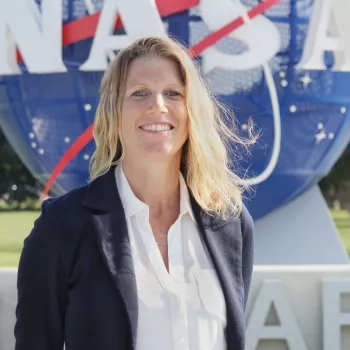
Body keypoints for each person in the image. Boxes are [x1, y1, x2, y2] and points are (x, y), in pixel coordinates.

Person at [14, 35, 255, 350]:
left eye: (173, 93)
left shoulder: (230, 223)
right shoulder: (62, 226)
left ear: (191, 113)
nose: (158, 105)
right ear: (113, 115)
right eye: (139, 93)